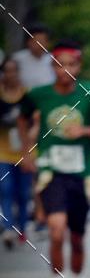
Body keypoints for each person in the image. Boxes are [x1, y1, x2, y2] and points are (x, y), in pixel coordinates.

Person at [18, 40, 90, 278]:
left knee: (76, 238)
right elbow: (22, 120)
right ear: (52, 67)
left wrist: (84, 129)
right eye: (60, 65)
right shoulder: (38, 95)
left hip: (81, 175)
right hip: (51, 172)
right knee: (56, 231)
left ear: (78, 66)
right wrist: (27, 152)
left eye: (71, 65)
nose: (66, 71)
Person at [0, 56, 32, 247]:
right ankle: (8, 227)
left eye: (14, 70)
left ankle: (22, 227)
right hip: (3, 151)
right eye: (7, 71)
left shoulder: (28, 95)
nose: (10, 74)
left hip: (24, 152)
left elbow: (36, 119)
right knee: (5, 189)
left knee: (23, 192)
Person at [13, 24, 55, 89]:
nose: (41, 45)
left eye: (43, 41)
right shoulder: (17, 59)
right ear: (28, 42)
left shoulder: (53, 59)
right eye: (37, 42)